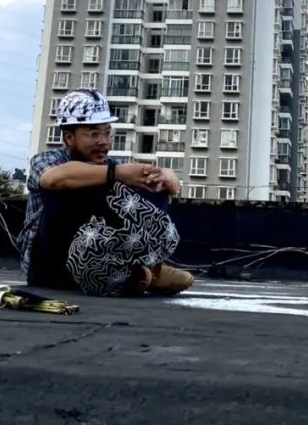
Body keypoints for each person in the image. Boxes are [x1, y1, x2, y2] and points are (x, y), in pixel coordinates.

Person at [17, 89, 194, 297]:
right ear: (69, 138)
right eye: (93, 134)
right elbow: (54, 179)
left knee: (142, 189)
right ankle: (135, 276)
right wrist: (117, 174)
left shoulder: (109, 166)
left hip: (96, 255)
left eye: (107, 133)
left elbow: (162, 180)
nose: (104, 142)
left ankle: (144, 269)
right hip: (49, 266)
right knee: (77, 186)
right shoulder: (46, 161)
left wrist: (163, 175)